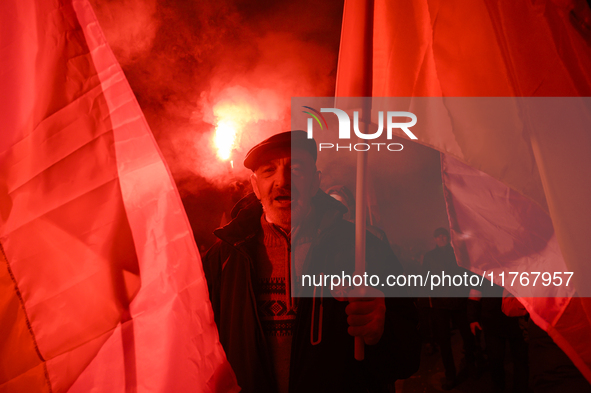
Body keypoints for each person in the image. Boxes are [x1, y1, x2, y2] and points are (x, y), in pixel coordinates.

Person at [203, 131, 420, 393]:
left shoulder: (364, 248)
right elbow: (199, 347)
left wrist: (381, 332)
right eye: (268, 171)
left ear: (316, 182)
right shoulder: (224, 256)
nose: (283, 181)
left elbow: (407, 356)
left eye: (296, 169)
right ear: (255, 186)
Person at [422, 227, 479, 390]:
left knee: (467, 337)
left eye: (443, 236)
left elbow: (466, 274)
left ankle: (471, 365)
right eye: (438, 236)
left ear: (447, 237)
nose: (441, 238)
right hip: (441, 304)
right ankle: (451, 375)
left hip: (459, 301)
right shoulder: (430, 256)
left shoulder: (457, 253)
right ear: (434, 239)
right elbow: (426, 278)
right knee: (444, 341)